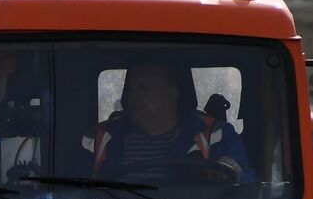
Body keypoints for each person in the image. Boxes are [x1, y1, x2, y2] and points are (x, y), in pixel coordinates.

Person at [93, 60, 252, 182]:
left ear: (170, 94)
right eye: (131, 90)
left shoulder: (215, 135)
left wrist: (231, 171)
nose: (133, 97)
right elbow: (73, 190)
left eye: (143, 88)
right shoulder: (98, 138)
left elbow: (247, 187)